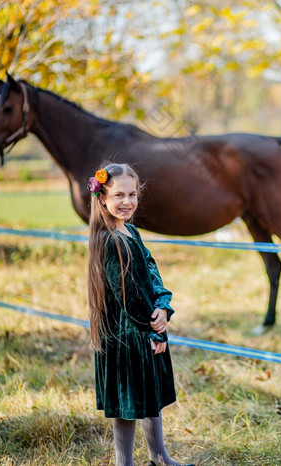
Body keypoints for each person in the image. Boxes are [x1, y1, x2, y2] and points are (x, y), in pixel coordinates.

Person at [86, 163, 190, 466]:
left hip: (144, 326)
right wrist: (155, 330)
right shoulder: (109, 240)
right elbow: (128, 297)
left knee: (149, 394)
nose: (127, 201)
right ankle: (124, 463)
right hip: (127, 335)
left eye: (132, 194)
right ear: (103, 198)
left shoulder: (129, 230)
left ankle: (159, 457)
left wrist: (162, 305)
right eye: (119, 195)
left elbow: (151, 269)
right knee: (128, 404)